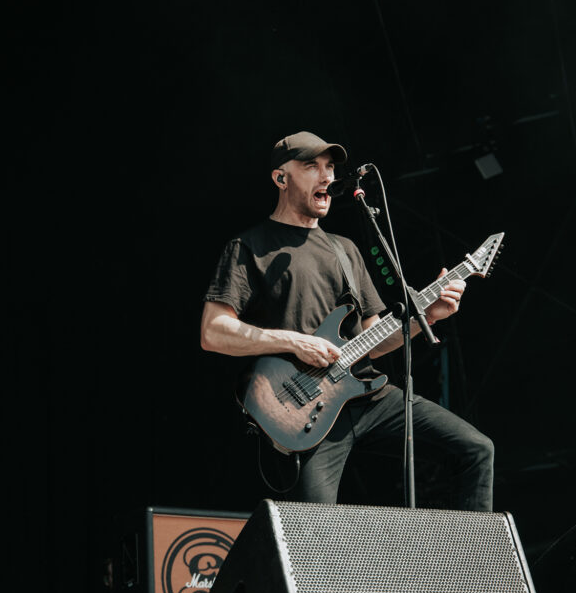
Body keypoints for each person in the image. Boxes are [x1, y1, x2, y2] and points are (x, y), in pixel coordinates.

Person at [200, 131, 494, 511]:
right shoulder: (249, 248)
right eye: (311, 166)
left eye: (330, 167)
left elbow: (373, 336)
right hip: (305, 409)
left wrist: (427, 316)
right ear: (281, 178)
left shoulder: (345, 249)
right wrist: (294, 342)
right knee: (316, 530)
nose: (327, 177)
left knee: (475, 449)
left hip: (368, 396)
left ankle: (474, 565)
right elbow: (213, 331)